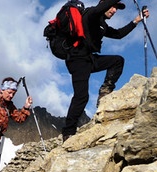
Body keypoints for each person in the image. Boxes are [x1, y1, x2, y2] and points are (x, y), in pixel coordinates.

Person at [62, 0, 150, 142]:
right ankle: (68, 132)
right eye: (112, 6)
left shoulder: (102, 24)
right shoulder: (91, 14)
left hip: (89, 59)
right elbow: (98, 10)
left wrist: (136, 20)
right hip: (77, 59)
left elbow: (118, 34)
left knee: (117, 61)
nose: (114, 10)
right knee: (81, 96)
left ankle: (105, 92)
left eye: (116, 8)